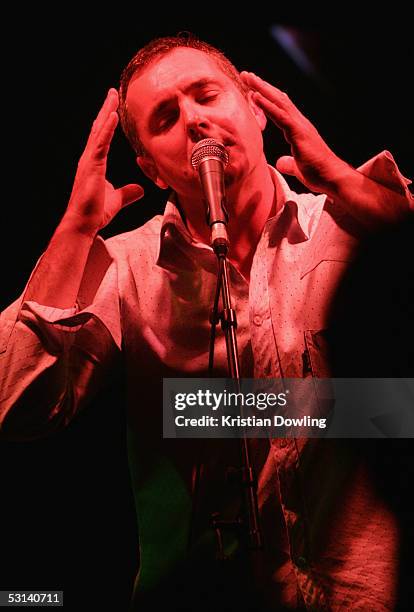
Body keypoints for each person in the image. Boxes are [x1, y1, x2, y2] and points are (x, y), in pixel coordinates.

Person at [1, 34, 413, 611]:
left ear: (255, 110)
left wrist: (347, 183)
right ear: (150, 167)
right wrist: (74, 230)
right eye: (166, 117)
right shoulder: (127, 267)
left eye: (207, 96)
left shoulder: (356, 225)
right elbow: (14, 406)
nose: (194, 121)